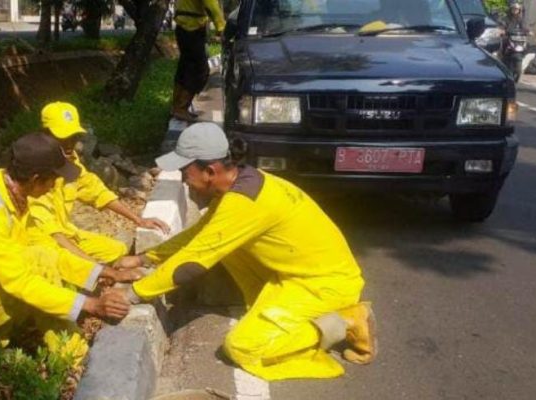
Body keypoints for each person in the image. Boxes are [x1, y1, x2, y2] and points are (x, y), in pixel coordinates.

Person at [111, 123, 377, 381]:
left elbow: (192, 263)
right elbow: (201, 235)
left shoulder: (243, 202)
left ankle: (346, 320)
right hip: (302, 276)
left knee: (242, 347)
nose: (184, 180)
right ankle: (275, 314)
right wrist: (144, 258)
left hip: (323, 286)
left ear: (210, 171)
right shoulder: (242, 182)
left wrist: (134, 294)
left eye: (185, 171)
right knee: (223, 244)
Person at [0, 132, 138, 354]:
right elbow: (19, 281)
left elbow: (50, 250)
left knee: (41, 254)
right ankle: (74, 355)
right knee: (34, 262)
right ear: (36, 179)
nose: (56, 185)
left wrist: (103, 273)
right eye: (54, 179)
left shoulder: (15, 200)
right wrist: (91, 305)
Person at [28, 102, 169, 266]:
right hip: (42, 242)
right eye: (62, 138)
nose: (69, 143)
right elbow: (52, 234)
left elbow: (97, 192)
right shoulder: (37, 173)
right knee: (62, 265)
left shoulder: (71, 160)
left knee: (116, 250)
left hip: (66, 232)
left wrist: (138, 220)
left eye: (73, 137)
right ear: (45, 135)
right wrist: (97, 271)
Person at [171, 0, 225, 121]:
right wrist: (221, 27)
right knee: (200, 71)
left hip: (183, 28)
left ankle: (175, 106)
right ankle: (181, 107)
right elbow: (211, 5)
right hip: (192, 29)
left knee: (184, 68)